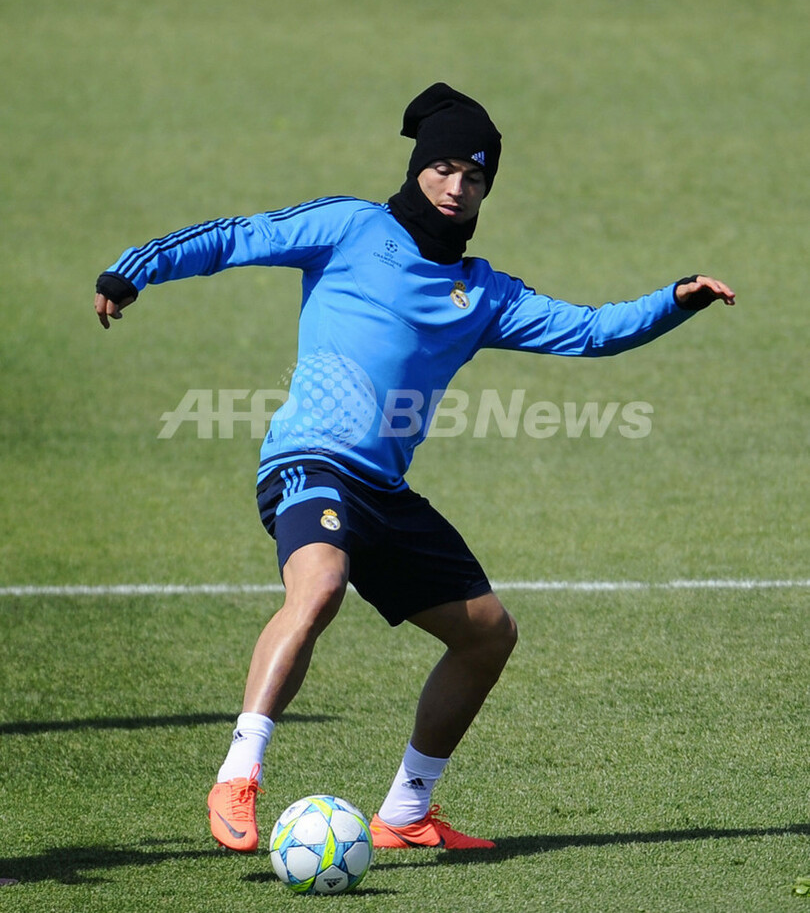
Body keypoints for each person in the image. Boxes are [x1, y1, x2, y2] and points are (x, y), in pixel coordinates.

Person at [94, 83, 735, 852]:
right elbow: (236, 237)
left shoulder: (485, 294)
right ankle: (238, 774)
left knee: (488, 635)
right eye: (443, 170)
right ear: (418, 167)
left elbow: (593, 331)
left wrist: (676, 299)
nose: (456, 187)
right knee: (320, 585)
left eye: (474, 177)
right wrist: (134, 271)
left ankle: (405, 812)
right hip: (310, 462)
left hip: (384, 493)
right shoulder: (351, 227)